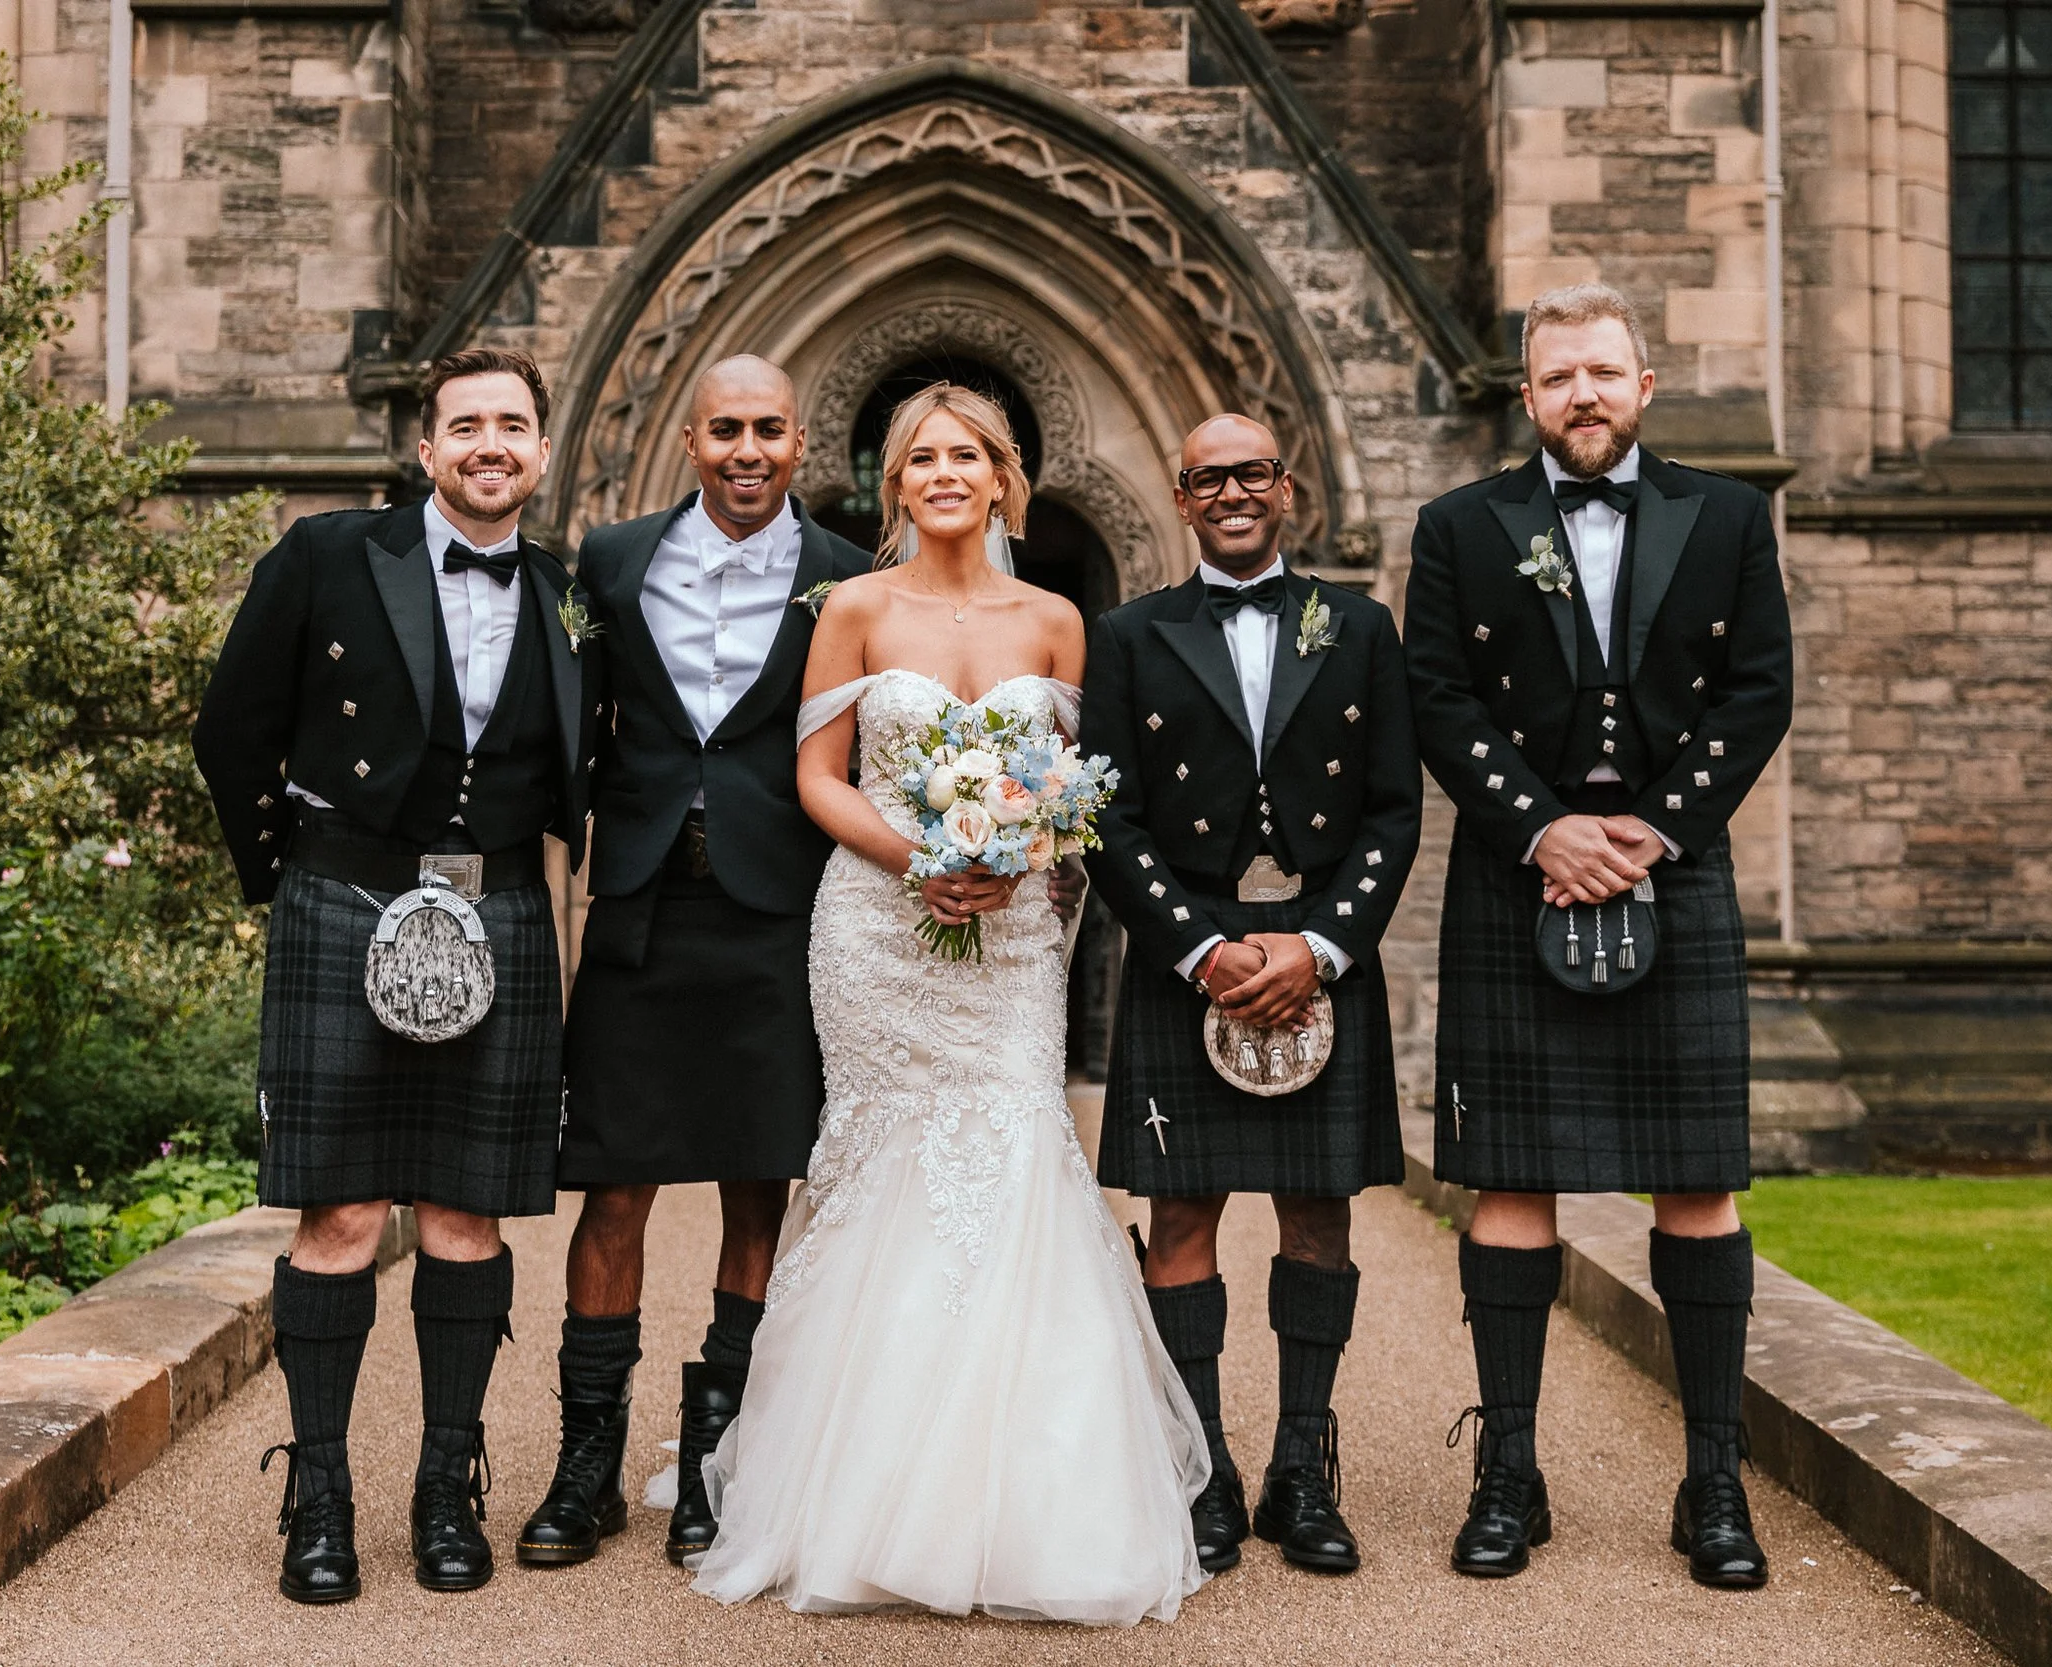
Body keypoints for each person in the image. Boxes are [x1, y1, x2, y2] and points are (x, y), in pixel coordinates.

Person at [688, 383, 1208, 1623]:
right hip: (876, 932)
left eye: (963, 454)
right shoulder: (853, 609)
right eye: (919, 457)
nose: (941, 473)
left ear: (1003, 475)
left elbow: (1073, 793)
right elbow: (815, 774)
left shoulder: (1056, 620)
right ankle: (852, 1493)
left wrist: (1011, 855)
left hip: (1016, 936)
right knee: (882, 1166)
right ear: (893, 483)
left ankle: (1031, 1503)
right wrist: (919, 857)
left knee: (1016, 1156)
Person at [1403, 282, 1793, 1589]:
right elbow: (1438, 696)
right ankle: (1509, 1470)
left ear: (1645, 384)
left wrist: (1654, 831)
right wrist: (1543, 827)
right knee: (1511, 1176)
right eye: (1558, 374)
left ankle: (1714, 1482)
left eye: (1604, 372)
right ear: (1528, 395)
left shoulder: (1729, 516)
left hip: (1673, 876)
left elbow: (1760, 690)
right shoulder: (1464, 525)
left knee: (1698, 1177)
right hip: (1519, 879)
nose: (1582, 394)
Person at [191, 347, 594, 1603]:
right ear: (426, 450)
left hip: (501, 904)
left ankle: (444, 1487)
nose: (490, 444)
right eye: (465, 424)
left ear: (540, 451)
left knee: (468, 1215)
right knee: (345, 1217)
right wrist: (301, 879)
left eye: (512, 426)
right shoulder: (328, 552)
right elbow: (231, 724)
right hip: (345, 894)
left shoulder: (570, 592)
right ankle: (318, 1496)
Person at [522, 356, 872, 1569]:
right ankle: (586, 1467)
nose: (746, 450)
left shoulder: (844, 577)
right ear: (689, 436)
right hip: (638, 911)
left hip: (779, 912)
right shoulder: (610, 562)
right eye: (725, 428)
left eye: (768, 429)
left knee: (756, 1182)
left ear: (801, 438)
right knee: (613, 1187)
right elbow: (567, 712)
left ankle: (717, 1461)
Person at [1085, 416, 1423, 1577]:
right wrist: (1200, 950)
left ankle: (1300, 1467)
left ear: (1287, 488)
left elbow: (1390, 808)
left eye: (1250, 472)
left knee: (1317, 1209)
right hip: (1196, 955)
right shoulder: (1128, 635)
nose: (1230, 491)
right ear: (1181, 501)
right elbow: (1109, 817)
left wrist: (1324, 944)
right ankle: (1203, 1469)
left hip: (1316, 950)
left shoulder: (1361, 627)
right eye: (1206, 478)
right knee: (1182, 1212)